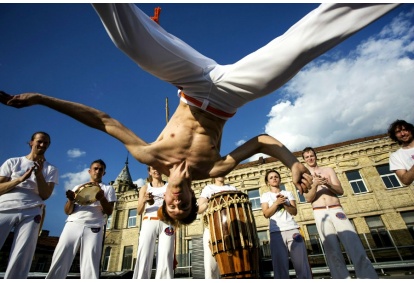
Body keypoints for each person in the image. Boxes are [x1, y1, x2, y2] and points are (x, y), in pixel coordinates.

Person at [1, 3, 399, 225]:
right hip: (231, 92)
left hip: (191, 84)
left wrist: (41, 98)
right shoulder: (213, 171)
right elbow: (261, 141)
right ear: (191, 200)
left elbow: (103, 120)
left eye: (171, 208)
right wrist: (291, 160)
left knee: (129, 44)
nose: (174, 202)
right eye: (182, 206)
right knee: (300, 48)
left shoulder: (150, 156)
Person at [301, 147, 378, 279]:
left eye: (312, 155)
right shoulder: (305, 176)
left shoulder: (328, 170)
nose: (310, 158)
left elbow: (340, 190)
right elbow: (308, 198)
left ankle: (367, 277)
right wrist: (314, 184)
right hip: (320, 212)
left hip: (335, 208)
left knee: (353, 242)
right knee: (331, 248)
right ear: (304, 160)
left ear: (316, 156)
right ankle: (341, 278)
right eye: (307, 157)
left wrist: (328, 184)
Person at [0, 131, 58, 279]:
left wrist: (38, 175)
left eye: (46, 143)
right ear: (31, 142)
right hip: (5, 207)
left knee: (22, 254)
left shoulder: (51, 169)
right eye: (39, 141)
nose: (42, 144)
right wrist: (19, 180)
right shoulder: (13, 162)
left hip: (32, 210)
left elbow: (45, 195)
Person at [46, 159, 116, 279]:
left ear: (104, 173)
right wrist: (70, 200)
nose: (98, 171)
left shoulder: (108, 189)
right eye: (95, 168)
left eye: (101, 169)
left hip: (94, 226)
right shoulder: (78, 187)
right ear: (90, 171)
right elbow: (68, 211)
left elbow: (109, 211)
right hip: (73, 223)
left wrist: (102, 199)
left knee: (90, 262)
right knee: (61, 256)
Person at [260, 169, 312, 279]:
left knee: (301, 263)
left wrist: (285, 204)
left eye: (276, 176)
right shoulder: (265, 196)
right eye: (271, 177)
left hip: (292, 229)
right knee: (280, 266)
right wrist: (276, 203)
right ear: (268, 182)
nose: (274, 178)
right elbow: (266, 214)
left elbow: (294, 212)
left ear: (279, 179)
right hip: (276, 232)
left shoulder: (287, 193)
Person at [133, 166, 175, 279]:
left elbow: (175, 205)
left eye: (158, 167)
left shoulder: (169, 186)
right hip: (149, 220)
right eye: (153, 168)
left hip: (166, 221)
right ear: (149, 171)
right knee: (144, 254)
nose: (156, 169)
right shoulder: (145, 188)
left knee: (166, 255)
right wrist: (145, 200)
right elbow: (139, 211)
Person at [197, 176, 238, 279]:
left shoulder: (232, 188)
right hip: (212, 228)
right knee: (211, 265)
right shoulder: (208, 189)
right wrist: (207, 203)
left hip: (231, 229)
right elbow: (199, 210)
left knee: (232, 262)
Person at [387, 119, 414, 185]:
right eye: (398, 132)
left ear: (411, 130)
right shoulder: (396, 156)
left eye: (405, 130)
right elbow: (405, 181)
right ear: (395, 135)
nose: (402, 134)